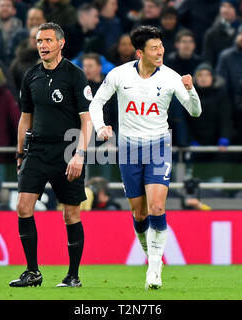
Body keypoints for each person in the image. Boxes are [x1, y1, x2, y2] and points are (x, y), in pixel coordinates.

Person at [89, 26, 201, 289]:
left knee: (157, 208)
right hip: (128, 149)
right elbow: (96, 103)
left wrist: (192, 90)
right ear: (140, 52)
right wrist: (100, 126)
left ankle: (154, 265)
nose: (160, 51)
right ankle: (151, 254)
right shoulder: (119, 75)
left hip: (159, 146)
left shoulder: (172, 77)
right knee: (139, 215)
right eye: (154, 48)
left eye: (161, 46)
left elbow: (194, 112)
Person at [9, 22, 93, 288]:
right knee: (23, 207)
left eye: (47, 40)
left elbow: (86, 120)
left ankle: (73, 276)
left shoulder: (75, 75)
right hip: (37, 151)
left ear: (61, 43)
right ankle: (32, 272)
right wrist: (20, 152)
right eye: (39, 41)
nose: (42, 45)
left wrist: (80, 154)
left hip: (67, 151)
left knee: (70, 214)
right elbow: (25, 118)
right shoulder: (30, 75)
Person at [202, 0, 241, 67]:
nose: (225, 10)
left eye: (230, 6)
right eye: (223, 6)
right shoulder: (211, 33)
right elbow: (207, 60)